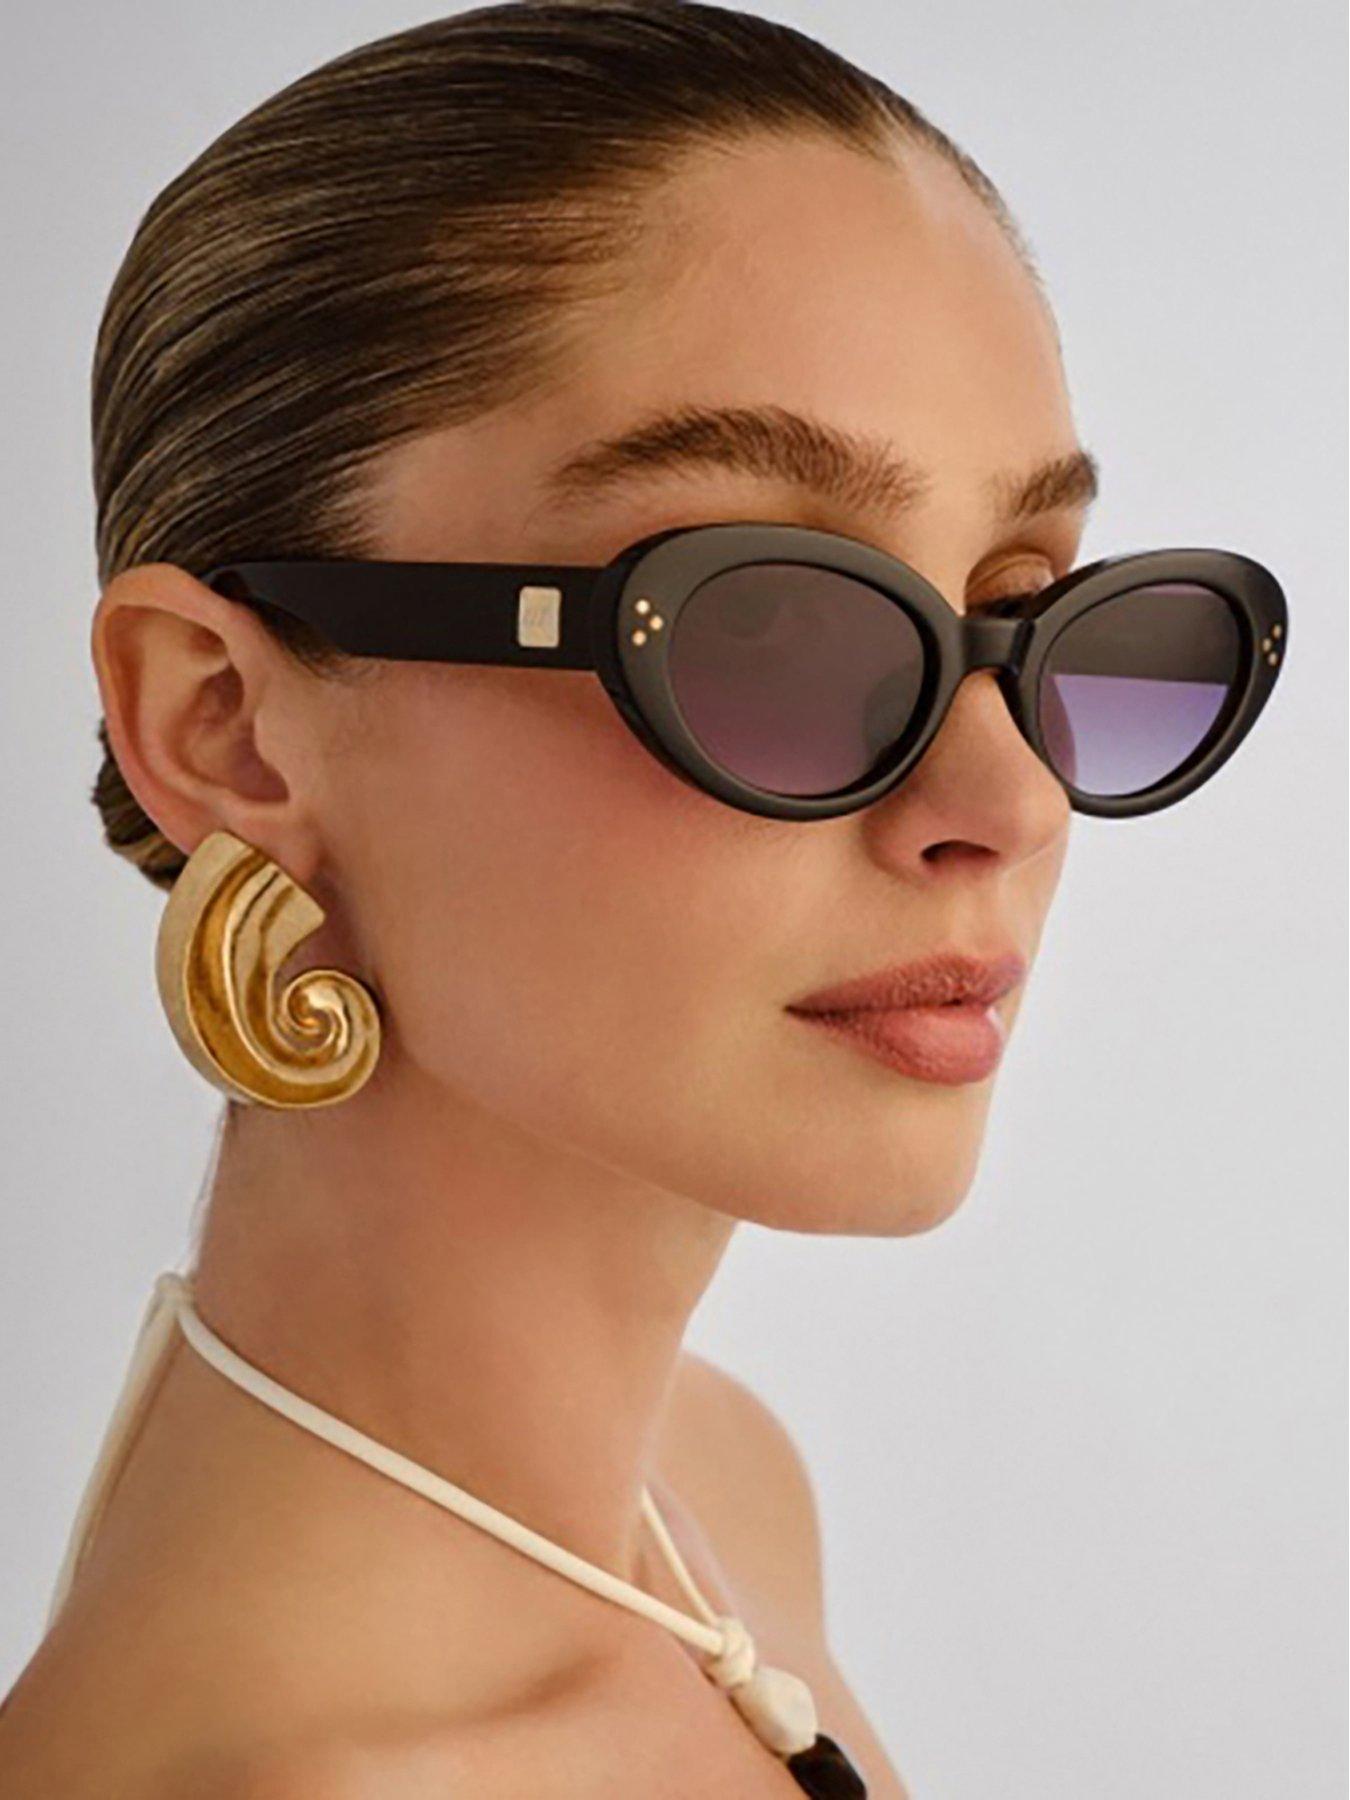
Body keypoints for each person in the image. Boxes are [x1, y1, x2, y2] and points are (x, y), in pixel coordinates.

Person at [0, 2, 1288, 1795]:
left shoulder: (716, 1493)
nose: (1005, 802)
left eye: (1025, 601)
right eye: (767, 619)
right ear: (224, 726)